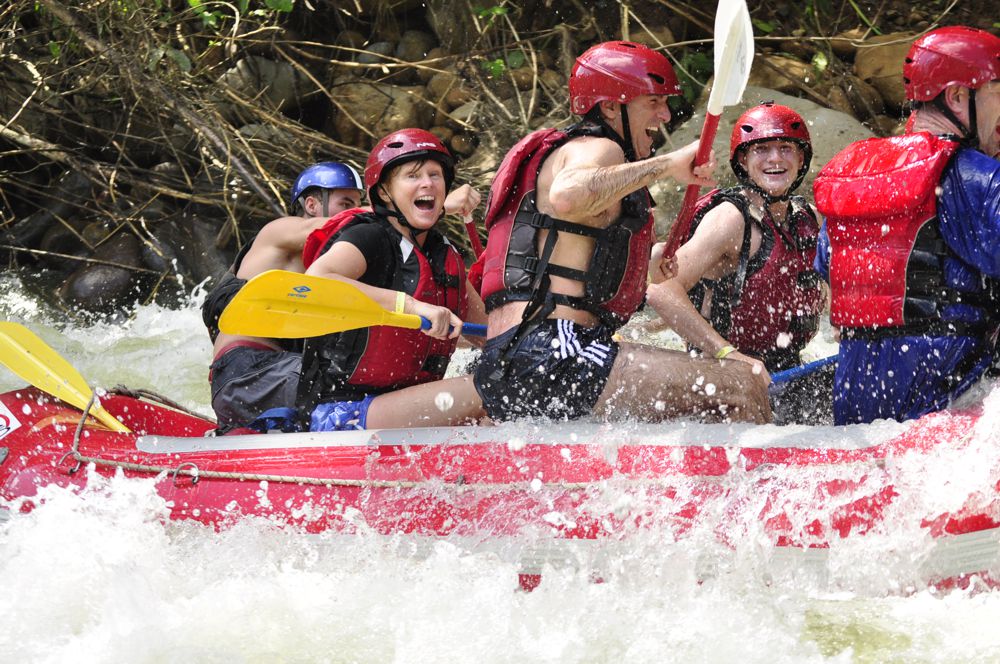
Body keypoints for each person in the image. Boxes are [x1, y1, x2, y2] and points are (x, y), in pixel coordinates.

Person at [470, 41, 772, 424]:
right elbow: (567, 196)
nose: (665, 115)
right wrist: (667, 166)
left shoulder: (572, 154)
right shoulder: (597, 148)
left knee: (690, 406)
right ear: (612, 107)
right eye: (653, 102)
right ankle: (765, 483)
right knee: (741, 385)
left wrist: (645, 267)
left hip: (508, 363)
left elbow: (567, 267)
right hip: (554, 353)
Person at [813, 26, 1000, 425]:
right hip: (947, 398)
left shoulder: (854, 173)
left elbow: (828, 277)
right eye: (997, 92)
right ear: (956, 97)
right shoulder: (975, 179)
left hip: (855, 404)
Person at [645, 102, 828, 422]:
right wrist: (728, 354)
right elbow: (660, 291)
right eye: (762, 150)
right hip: (724, 376)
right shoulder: (731, 219)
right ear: (743, 160)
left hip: (785, 370)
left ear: (801, 159)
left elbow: (825, 287)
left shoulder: (808, 217)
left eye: (785, 148)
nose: (775, 159)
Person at [297, 129, 488, 431]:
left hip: (402, 407)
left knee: (509, 386)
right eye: (412, 175)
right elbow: (315, 283)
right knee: (487, 388)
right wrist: (411, 307)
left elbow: (489, 335)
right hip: (339, 414)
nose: (427, 183)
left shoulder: (444, 254)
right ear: (385, 192)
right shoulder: (369, 236)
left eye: (435, 175)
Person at [201, 162, 365, 429]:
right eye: (346, 203)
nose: (356, 211)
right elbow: (338, 227)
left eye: (359, 204)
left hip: (267, 382)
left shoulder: (338, 266)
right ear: (312, 205)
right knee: (354, 390)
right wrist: (403, 211)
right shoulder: (281, 231)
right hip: (248, 372)